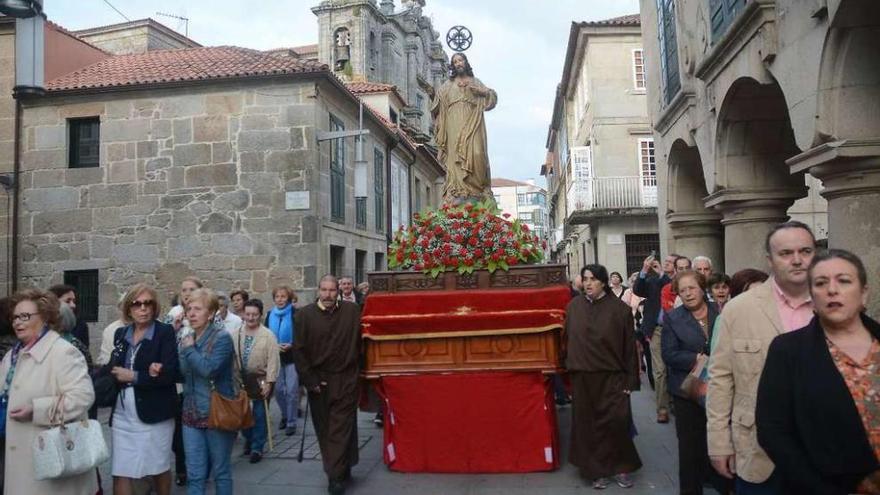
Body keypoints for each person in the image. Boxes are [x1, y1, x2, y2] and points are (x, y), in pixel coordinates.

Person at [756, 249, 880, 494]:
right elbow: (773, 431)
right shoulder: (788, 351)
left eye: (844, 281)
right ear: (812, 296)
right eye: (821, 283)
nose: (832, 290)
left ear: (864, 293)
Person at [707, 221, 816, 494]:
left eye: (805, 251)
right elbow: (720, 378)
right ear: (769, 260)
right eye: (785, 253)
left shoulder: (833, 303)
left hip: (822, 450)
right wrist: (719, 441)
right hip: (757, 451)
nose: (797, 260)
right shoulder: (739, 309)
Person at [1, 289, 96, 494]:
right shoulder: (13, 355)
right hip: (18, 461)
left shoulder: (63, 352)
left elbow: (82, 396)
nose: (18, 322)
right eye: (15, 317)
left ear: (44, 317)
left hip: (52, 462)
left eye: (25, 316)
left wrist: (37, 410)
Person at [565, 264, 641, 489]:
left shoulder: (620, 310)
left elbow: (629, 348)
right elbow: (567, 339)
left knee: (616, 422)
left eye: (593, 279)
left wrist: (630, 381)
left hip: (612, 378)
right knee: (587, 425)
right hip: (583, 378)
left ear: (603, 282)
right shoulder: (573, 306)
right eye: (585, 278)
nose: (588, 283)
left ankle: (620, 468)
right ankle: (596, 471)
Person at [98, 283, 178, 495]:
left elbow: (172, 373)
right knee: (121, 469)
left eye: (148, 303)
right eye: (137, 304)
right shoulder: (121, 333)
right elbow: (112, 367)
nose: (142, 308)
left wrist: (135, 375)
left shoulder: (165, 332)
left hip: (155, 412)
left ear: (154, 307)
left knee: (158, 466)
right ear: (129, 308)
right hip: (124, 413)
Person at [662, 270, 732, 495]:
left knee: (719, 442)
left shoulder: (721, 312)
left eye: (692, 288)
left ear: (703, 288)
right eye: (683, 290)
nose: (688, 294)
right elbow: (669, 354)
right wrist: (697, 358)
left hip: (719, 390)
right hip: (688, 391)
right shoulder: (673, 318)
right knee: (690, 449)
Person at [292, 275, 362, 495]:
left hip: (347, 379)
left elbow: (363, 341)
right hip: (319, 383)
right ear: (318, 290)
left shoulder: (352, 312)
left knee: (341, 427)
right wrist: (310, 381)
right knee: (325, 429)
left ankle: (334, 477)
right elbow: (299, 351)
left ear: (338, 291)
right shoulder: (304, 316)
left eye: (332, 290)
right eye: (324, 290)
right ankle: (344, 466)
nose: (328, 294)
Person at [179, 288, 236, 495]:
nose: (191, 314)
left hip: (217, 413)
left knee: (220, 472)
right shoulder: (187, 337)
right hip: (191, 413)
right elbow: (182, 371)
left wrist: (188, 350)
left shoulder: (222, 338)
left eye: (197, 309)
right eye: (189, 309)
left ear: (211, 314)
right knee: (195, 475)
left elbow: (208, 370)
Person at [432, 52, 497, 203]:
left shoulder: (476, 82)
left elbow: (492, 97)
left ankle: (479, 191)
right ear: (453, 66)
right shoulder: (446, 86)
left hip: (473, 121)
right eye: (455, 62)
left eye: (460, 60)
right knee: (455, 157)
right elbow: (436, 106)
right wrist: (431, 93)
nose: (458, 63)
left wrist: (483, 92)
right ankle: (458, 190)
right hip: (453, 123)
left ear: (466, 62)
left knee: (477, 153)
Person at [231, 299, 280, 464]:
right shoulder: (236, 333)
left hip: (261, 380)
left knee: (259, 414)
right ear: (244, 314)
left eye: (255, 315)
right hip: (241, 380)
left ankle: (257, 447)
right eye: (248, 314)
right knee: (243, 413)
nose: (251, 318)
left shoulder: (268, 336)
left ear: (260, 315)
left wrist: (270, 381)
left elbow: (273, 360)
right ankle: (249, 438)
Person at [166, 276, 203, 487]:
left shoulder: (207, 315)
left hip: (198, 379)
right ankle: (182, 467)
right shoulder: (172, 314)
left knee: (195, 426)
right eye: (183, 289)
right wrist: (174, 326)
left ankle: (191, 469)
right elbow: (159, 337)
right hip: (176, 381)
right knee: (178, 429)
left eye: (191, 289)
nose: (186, 293)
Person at [633, 252, 677, 423]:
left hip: (676, 329)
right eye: (664, 261)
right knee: (660, 370)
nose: (665, 263)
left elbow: (673, 288)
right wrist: (644, 271)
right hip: (657, 329)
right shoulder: (653, 281)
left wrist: (662, 274)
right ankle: (662, 408)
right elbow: (638, 290)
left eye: (669, 262)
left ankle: (674, 401)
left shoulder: (676, 281)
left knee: (675, 368)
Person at [266, 285, 299, 436]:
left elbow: (302, 335)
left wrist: (292, 345)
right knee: (278, 390)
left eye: (283, 296)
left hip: (292, 357)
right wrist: (273, 346)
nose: (280, 300)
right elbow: (265, 335)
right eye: (277, 297)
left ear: (289, 298)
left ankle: (291, 422)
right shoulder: (269, 315)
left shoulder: (296, 314)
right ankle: (285, 415)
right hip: (275, 357)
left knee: (292, 390)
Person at [97, 295, 127, 366]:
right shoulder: (110, 330)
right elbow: (105, 357)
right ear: (118, 309)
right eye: (123, 309)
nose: (126, 313)